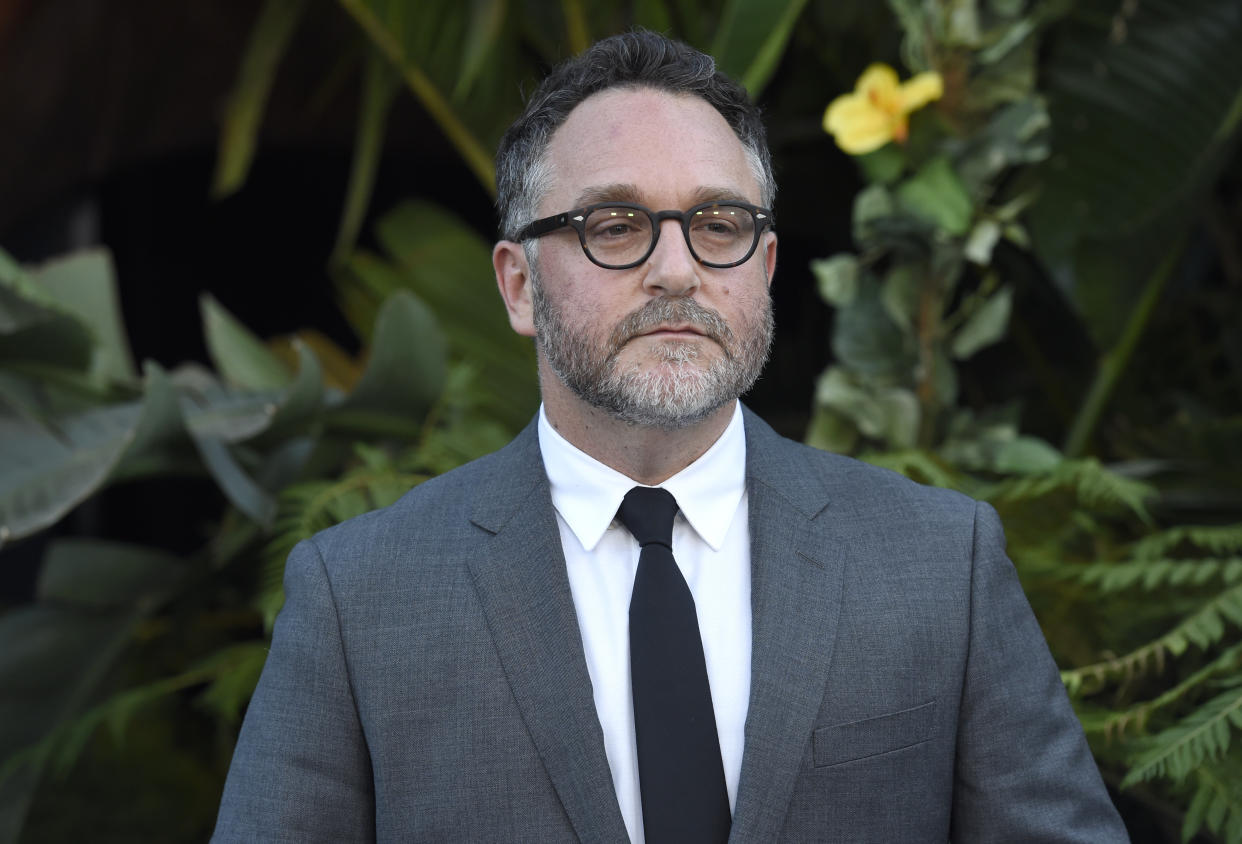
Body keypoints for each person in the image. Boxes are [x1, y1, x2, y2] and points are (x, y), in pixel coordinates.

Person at [213, 30, 1129, 844]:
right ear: (519, 285)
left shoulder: (941, 565)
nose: (677, 269)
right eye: (615, 225)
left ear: (764, 268)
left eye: (719, 224)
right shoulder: (360, 598)